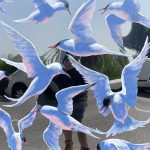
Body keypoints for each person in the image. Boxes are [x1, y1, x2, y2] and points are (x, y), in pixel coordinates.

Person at [37, 51, 90, 150]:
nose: (68, 61)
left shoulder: (80, 71)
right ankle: (69, 144)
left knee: (77, 122)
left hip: (79, 98)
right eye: (66, 59)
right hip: (64, 100)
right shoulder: (59, 72)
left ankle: (84, 147)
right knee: (65, 121)